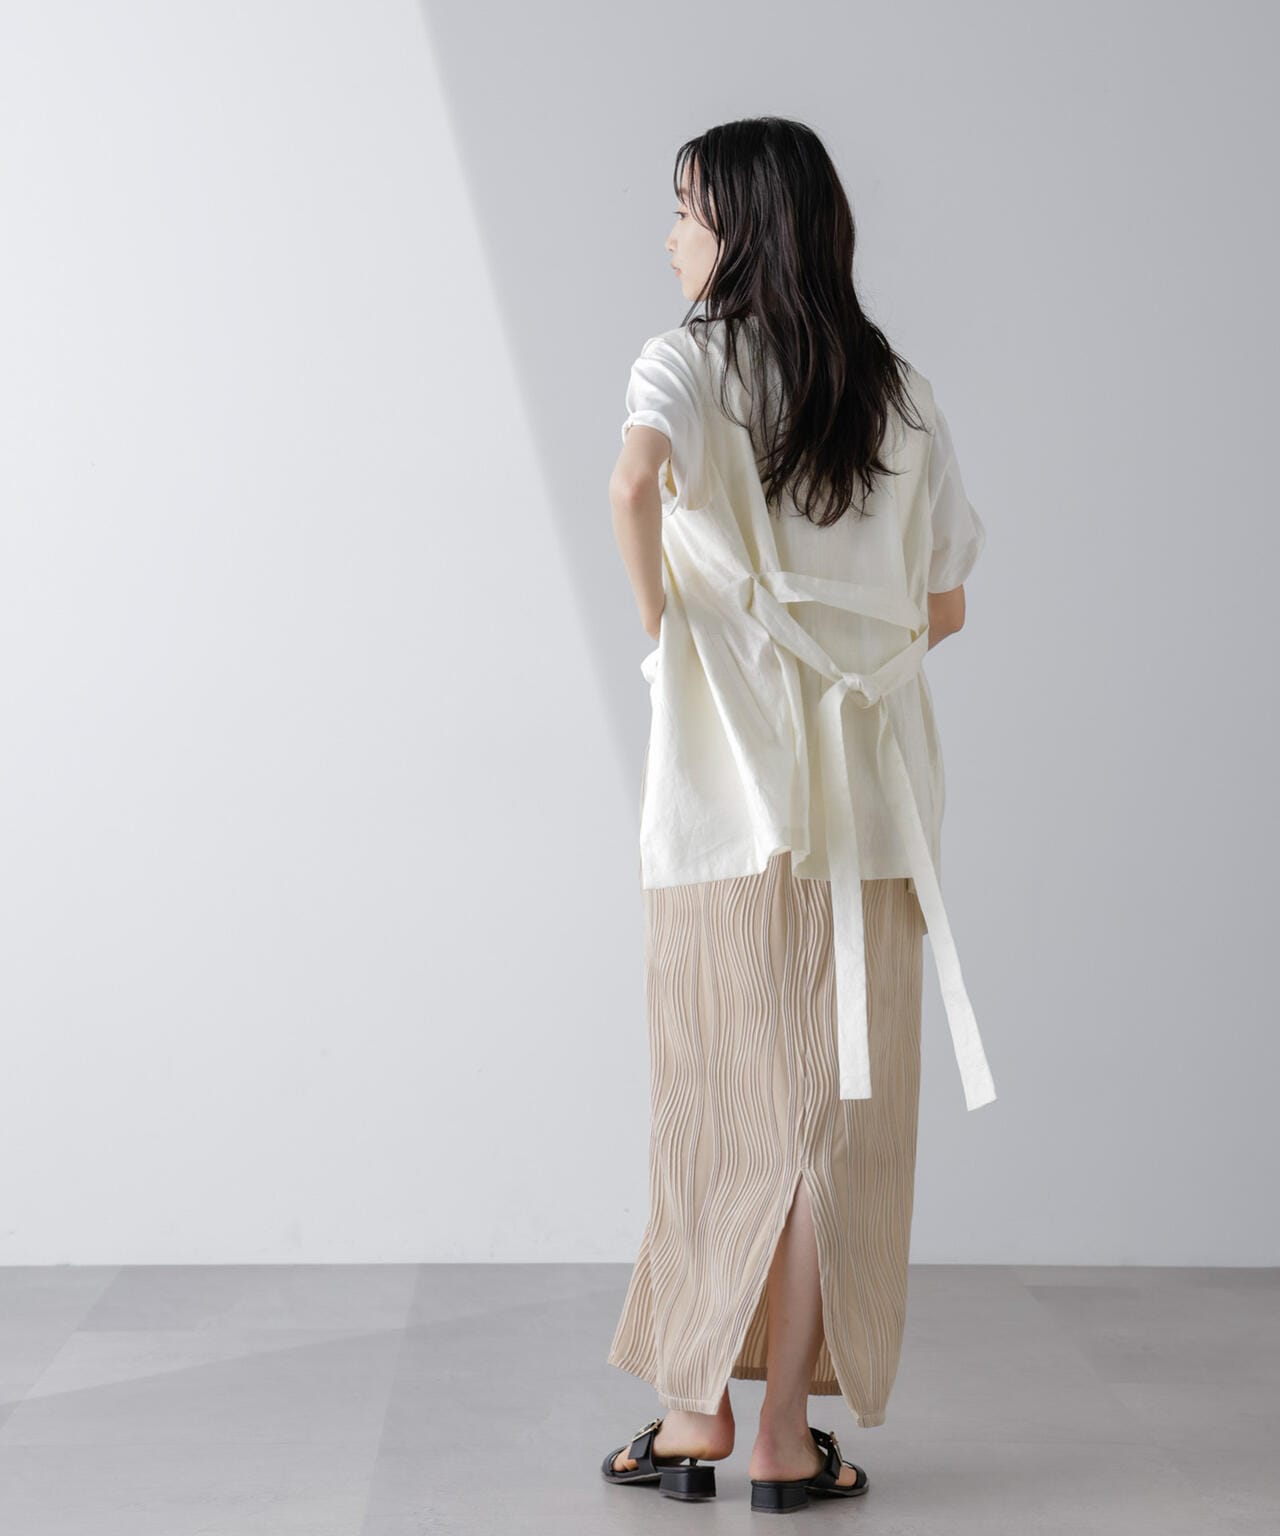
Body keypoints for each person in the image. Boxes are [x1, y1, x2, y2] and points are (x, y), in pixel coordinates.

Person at [601, 117, 997, 1513]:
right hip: (876, 813)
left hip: (728, 811)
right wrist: (848, 664)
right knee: (838, 1120)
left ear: (743, 228)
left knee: (716, 1101)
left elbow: (632, 484)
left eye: (687, 212)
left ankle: (694, 1412)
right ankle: (783, 1436)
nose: (671, 237)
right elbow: (945, 605)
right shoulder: (902, 393)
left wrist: (675, 641)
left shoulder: (683, 359)